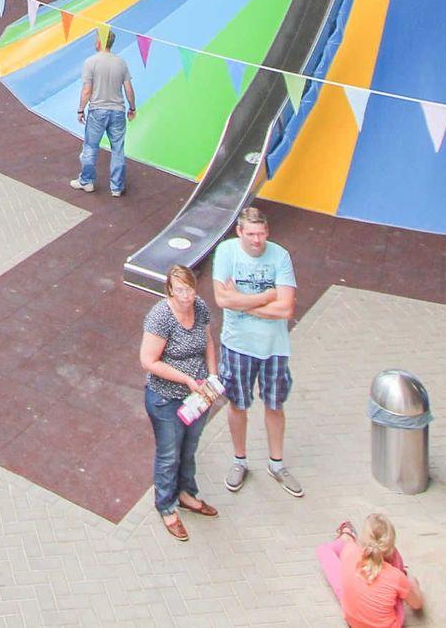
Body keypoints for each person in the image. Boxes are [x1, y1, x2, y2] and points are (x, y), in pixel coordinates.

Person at [212, 205, 301, 497]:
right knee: (238, 404)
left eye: (261, 234)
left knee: (275, 405)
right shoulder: (226, 252)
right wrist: (266, 297)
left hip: (274, 347)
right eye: (250, 234)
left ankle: (276, 463)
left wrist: (242, 301)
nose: (256, 240)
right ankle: (240, 460)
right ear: (239, 232)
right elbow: (222, 300)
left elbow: (286, 308)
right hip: (237, 344)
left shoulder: (280, 256)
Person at [140, 263, 220, 540]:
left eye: (190, 289)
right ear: (170, 290)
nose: (187, 296)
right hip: (166, 398)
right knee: (169, 454)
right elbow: (148, 361)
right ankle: (166, 505)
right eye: (181, 290)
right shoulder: (160, 317)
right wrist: (186, 379)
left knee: (189, 448)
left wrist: (212, 376)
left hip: (198, 396)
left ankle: (186, 493)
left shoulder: (200, 307)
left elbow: (208, 341)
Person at [321, 514, 425, 628]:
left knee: (328, 554)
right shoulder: (396, 577)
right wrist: (412, 581)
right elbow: (417, 604)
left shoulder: (349, 551)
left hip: (353, 621)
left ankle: (346, 534)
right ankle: (404, 573)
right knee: (401, 587)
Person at [72, 28, 136, 197]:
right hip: (118, 111)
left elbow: (87, 90)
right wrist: (132, 108)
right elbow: (129, 89)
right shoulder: (121, 63)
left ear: (99, 42)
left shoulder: (90, 62)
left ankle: (86, 181)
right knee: (118, 149)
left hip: (97, 111)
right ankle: (117, 187)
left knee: (90, 147)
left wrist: (80, 109)